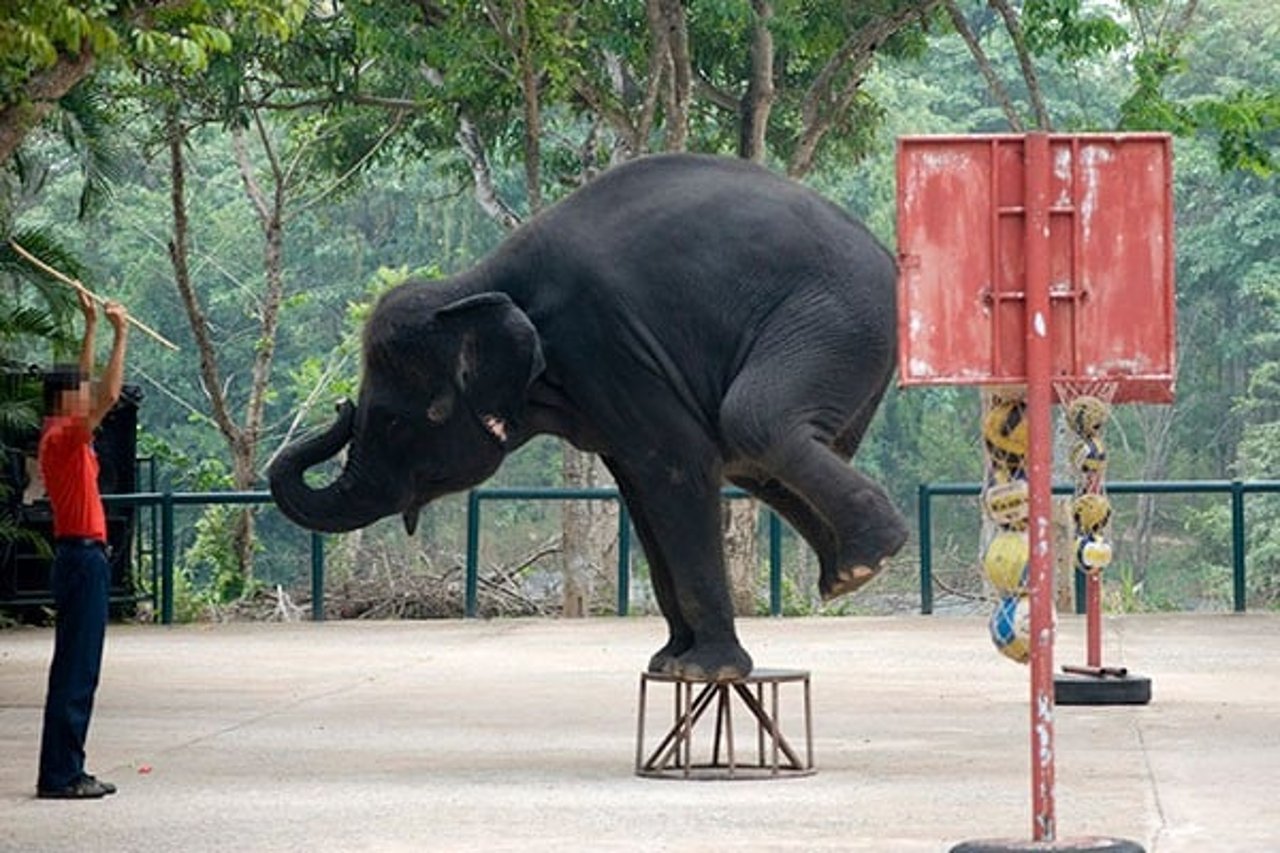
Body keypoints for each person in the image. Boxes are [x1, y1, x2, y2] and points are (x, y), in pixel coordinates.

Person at [35, 288, 128, 800]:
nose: (87, 394)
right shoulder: (66, 435)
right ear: (66, 402)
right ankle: (62, 774)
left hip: (78, 557)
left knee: (74, 665)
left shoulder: (60, 431)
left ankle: (64, 768)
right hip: (81, 557)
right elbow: (109, 394)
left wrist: (91, 325)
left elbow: (88, 384)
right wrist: (120, 332)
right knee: (77, 669)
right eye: (79, 392)